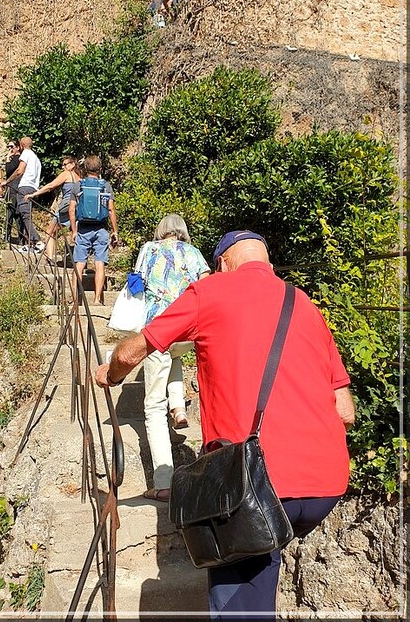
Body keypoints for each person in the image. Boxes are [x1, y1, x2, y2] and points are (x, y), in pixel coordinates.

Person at [96, 230, 355, 619]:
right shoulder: (303, 303)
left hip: (257, 482)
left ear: (222, 263)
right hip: (326, 485)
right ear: (266, 260)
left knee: (240, 599)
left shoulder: (210, 292)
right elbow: (345, 410)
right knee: (261, 567)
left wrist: (110, 374)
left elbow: (137, 348)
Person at [136, 214, 209, 502]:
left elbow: (138, 282)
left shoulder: (149, 249)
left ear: (161, 231)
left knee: (153, 407)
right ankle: (178, 407)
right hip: (186, 332)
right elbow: (206, 286)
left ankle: (164, 483)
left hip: (157, 331)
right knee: (175, 358)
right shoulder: (193, 253)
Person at [68, 155, 118, 305]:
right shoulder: (105, 185)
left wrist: (74, 230)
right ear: (100, 169)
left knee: (79, 263)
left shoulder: (78, 185)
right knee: (99, 263)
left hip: (83, 229)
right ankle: (97, 300)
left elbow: (71, 210)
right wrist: (115, 231)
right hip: (101, 229)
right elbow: (110, 210)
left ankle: (76, 299)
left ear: (85, 169)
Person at [24, 155, 81, 264]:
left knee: (50, 232)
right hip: (76, 208)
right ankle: (75, 258)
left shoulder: (67, 174)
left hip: (66, 207)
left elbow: (51, 186)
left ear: (73, 164)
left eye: (65, 164)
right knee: (74, 232)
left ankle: (50, 258)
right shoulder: (79, 178)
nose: (63, 167)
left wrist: (34, 194)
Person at [1, 136, 43, 253]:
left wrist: (7, 181)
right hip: (33, 188)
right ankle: (30, 244)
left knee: (24, 215)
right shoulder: (36, 158)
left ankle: (37, 241)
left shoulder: (26, 154)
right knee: (26, 215)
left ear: (21, 145)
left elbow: (20, 171)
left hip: (24, 187)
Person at [4, 140, 23, 244]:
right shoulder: (21, 160)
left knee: (11, 213)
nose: (10, 149)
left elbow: (9, 170)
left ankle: (7, 236)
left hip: (13, 189)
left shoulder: (17, 159)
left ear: (18, 147)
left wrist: (7, 159)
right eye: (8, 147)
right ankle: (21, 239)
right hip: (17, 189)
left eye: (12, 146)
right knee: (17, 215)